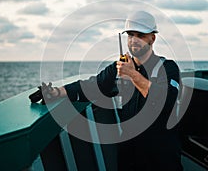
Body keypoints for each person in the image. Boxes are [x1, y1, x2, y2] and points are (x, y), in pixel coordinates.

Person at [48, 11, 183, 170]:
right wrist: (56, 92)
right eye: (130, 35)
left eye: (140, 35)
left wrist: (133, 75)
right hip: (130, 155)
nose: (134, 40)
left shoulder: (168, 68)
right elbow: (93, 86)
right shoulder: (119, 68)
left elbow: (166, 100)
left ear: (152, 38)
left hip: (161, 157)